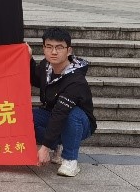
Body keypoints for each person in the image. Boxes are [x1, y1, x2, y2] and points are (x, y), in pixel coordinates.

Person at [31, 27, 98, 178]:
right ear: (43, 48)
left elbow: (61, 112)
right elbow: (34, 78)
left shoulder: (76, 80)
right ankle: (58, 144)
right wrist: (27, 57)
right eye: (49, 47)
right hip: (51, 114)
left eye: (59, 47)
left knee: (72, 114)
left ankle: (70, 160)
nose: (54, 52)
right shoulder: (46, 66)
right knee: (25, 117)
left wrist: (44, 148)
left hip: (79, 122)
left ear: (69, 51)